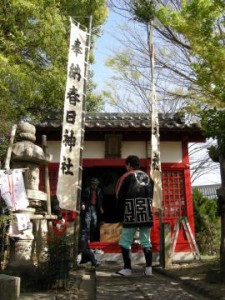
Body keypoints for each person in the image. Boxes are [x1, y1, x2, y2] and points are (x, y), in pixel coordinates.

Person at [115, 155, 154, 276]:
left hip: (131, 212)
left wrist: (120, 214)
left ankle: (127, 269)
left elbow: (119, 196)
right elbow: (152, 195)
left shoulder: (127, 176)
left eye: (126, 165)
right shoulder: (148, 177)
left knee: (125, 241)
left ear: (129, 165)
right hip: (146, 211)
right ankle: (148, 269)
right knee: (146, 241)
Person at [81, 177, 104, 242]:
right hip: (88, 207)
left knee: (94, 222)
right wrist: (83, 204)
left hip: (94, 208)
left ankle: (92, 238)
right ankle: (87, 239)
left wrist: (101, 207)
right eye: (93, 184)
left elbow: (100, 200)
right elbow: (83, 198)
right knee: (87, 223)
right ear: (91, 184)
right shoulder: (87, 190)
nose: (94, 186)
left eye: (96, 184)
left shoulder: (99, 190)